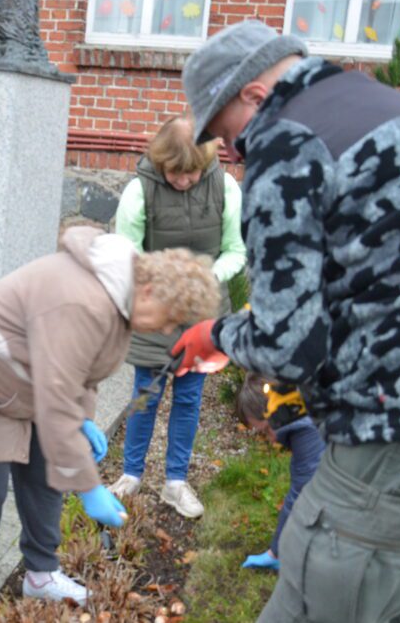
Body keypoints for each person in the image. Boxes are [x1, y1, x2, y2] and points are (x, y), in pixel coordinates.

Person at [174, 19, 400, 622]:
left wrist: (214, 335)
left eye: (228, 136)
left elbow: (287, 344)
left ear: (255, 96)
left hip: (399, 440)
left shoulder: (290, 144)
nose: (236, 155)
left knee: (315, 596)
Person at [0, 225, 221, 622]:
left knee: (48, 473)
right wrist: (88, 488)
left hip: (24, 380)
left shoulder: (119, 299)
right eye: (171, 320)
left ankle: (41, 572)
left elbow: (79, 374)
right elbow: (55, 401)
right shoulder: (83, 302)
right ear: (151, 290)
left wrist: (83, 420)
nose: (168, 330)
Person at [107, 115, 246, 519]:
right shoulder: (138, 192)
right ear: (161, 161)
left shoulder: (226, 187)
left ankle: (175, 483)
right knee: (145, 394)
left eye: (192, 173)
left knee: (189, 398)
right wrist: (165, 289)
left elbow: (236, 251)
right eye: (174, 173)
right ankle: (131, 475)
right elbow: (127, 254)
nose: (184, 181)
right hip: (156, 311)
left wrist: (200, 281)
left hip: (203, 312)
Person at [234, 375, 324, 572]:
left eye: (266, 431)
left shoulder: (306, 432)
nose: (272, 441)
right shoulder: (303, 407)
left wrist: (276, 552)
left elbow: (302, 493)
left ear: (275, 412)